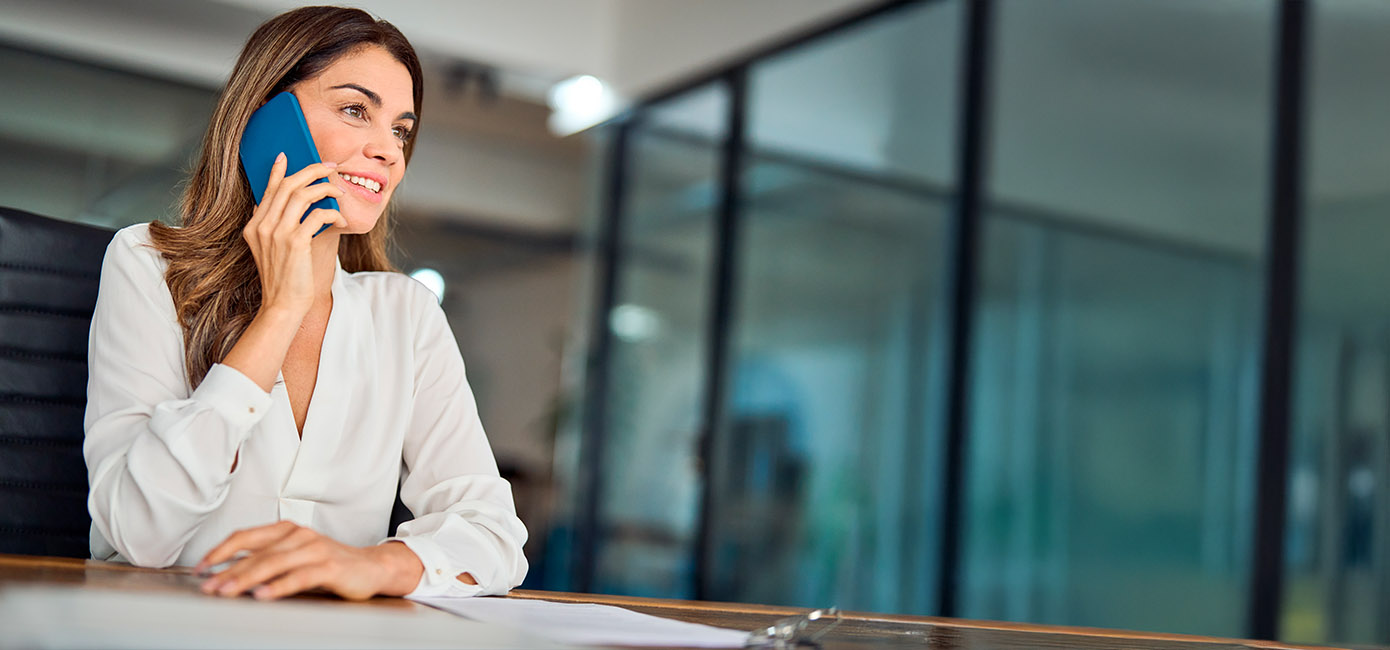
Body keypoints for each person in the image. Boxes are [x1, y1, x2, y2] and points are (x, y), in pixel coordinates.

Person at [82, 6, 527, 601]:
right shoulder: (148, 264)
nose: (389, 151)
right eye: (354, 110)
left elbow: (493, 533)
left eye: (399, 128)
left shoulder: (406, 315)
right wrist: (281, 309)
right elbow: (139, 532)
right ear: (267, 120)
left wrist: (375, 565)